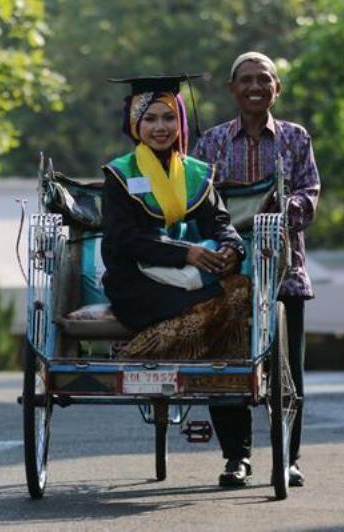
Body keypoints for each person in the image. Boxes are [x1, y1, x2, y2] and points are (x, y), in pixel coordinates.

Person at [193, 52, 321, 488]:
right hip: (225, 273)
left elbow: (310, 193)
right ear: (232, 89)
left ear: (276, 88)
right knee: (223, 365)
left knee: (289, 371)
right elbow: (197, 203)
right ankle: (236, 458)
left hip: (285, 271)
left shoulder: (295, 138)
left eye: (263, 80)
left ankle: (288, 457)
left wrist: (281, 210)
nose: (255, 87)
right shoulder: (210, 143)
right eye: (245, 80)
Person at [101, 74, 249, 361]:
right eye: (150, 119)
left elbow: (219, 223)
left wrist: (232, 248)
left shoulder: (196, 172)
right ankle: (138, 355)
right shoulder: (120, 174)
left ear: (179, 122)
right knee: (215, 306)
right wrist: (185, 253)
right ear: (135, 124)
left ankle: (208, 377)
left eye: (169, 118)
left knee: (243, 290)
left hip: (189, 277)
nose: (160, 128)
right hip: (137, 285)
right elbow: (122, 239)